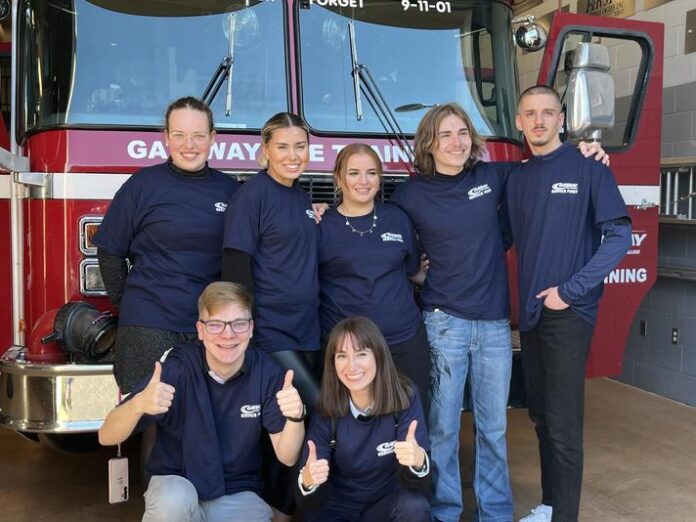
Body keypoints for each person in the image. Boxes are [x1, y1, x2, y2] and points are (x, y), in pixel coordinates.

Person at [391, 103, 608, 522]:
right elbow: (392, 245)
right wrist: (417, 273)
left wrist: (587, 152)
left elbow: (548, 164)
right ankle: (446, 511)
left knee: (493, 430)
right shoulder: (410, 195)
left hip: (493, 324)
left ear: (473, 139)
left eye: (462, 133)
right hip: (442, 323)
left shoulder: (496, 176)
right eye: (444, 135)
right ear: (428, 144)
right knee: (443, 430)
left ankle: (495, 513)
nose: (455, 143)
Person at [505, 85, 631, 522]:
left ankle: (564, 517)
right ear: (518, 122)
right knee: (541, 418)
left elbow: (619, 237)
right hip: (534, 317)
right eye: (529, 114)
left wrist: (571, 291)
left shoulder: (588, 167)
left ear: (561, 119)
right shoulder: (516, 179)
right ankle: (550, 505)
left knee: (563, 428)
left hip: (568, 314)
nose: (538, 121)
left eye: (547, 113)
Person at [98, 281, 306, 522]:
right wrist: (138, 404)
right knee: (172, 503)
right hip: (178, 481)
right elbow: (106, 435)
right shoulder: (177, 368)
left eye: (239, 324)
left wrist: (295, 417)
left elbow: (287, 456)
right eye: (216, 325)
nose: (228, 335)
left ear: (251, 328)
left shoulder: (267, 373)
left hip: (237, 491)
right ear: (200, 330)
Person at [94, 96, 239, 394]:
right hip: (149, 324)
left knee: (202, 417)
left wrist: (314, 210)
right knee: (153, 420)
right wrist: (130, 304)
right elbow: (110, 251)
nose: (190, 145)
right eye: (179, 135)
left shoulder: (230, 190)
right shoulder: (142, 185)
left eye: (199, 135)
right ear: (166, 138)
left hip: (208, 327)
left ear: (213, 138)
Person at [221, 112, 320, 519]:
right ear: (265, 151)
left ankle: (283, 505)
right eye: (282, 146)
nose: (292, 155)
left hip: (308, 331)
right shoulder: (252, 195)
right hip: (271, 333)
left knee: (288, 422)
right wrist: (245, 330)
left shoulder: (300, 196)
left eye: (300, 146)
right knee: (306, 411)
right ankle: (279, 508)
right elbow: (235, 263)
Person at [318, 143, 431, 416]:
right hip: (349, 352)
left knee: (413, 421)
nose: (363, 181)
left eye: (371, 173)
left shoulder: (397, 218)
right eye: (354, 173)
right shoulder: (321, 225)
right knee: (354, 430)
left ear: (380, 178)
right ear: (338, 178)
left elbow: (414, 271)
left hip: (404, 340)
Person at [296, 316, 430, 522]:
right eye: (342, 356)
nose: (351, 366)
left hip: (384, 507)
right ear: (333, 362)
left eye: (361, 354)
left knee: (414, 506)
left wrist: (418, 463)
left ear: (378, 355)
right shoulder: (325, 408)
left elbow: (419, 485)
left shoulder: (405, 397)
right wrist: (308, 482)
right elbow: (310, 502)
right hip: (338, 510)